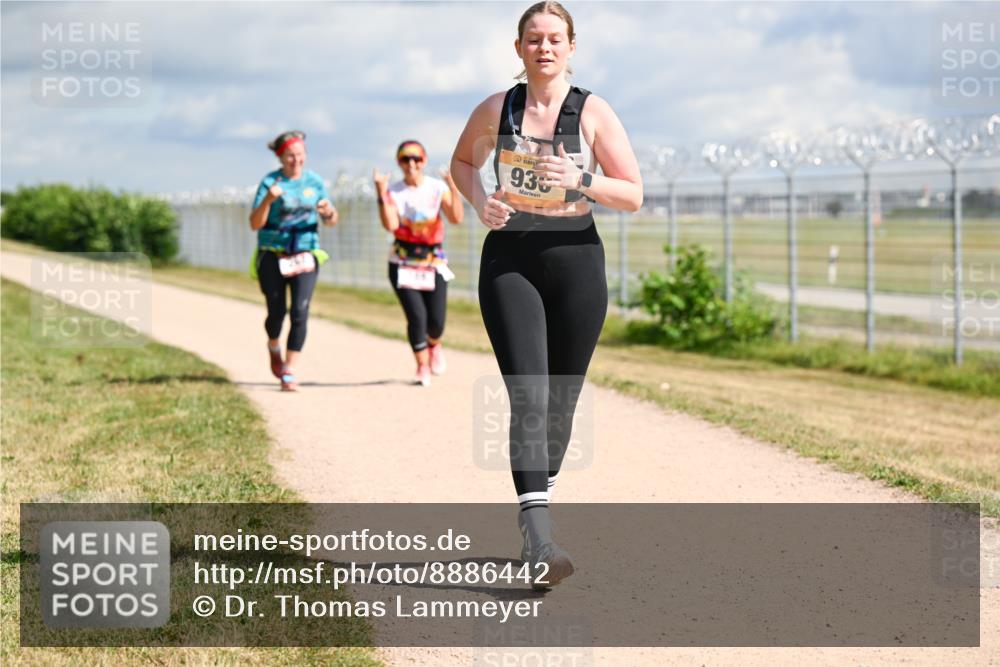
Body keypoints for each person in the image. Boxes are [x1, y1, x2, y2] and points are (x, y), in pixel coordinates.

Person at [450, 1, 642, 588]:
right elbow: (460, 163)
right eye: (534, 39)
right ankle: (540, 537)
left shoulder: (592, 112)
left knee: (561, 403)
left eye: (555, 38)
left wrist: (580, 179)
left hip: (577, 261)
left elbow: (632, 193)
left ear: (571, 47)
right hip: (510, 261)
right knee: (529, 398)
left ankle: (537, 489)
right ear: (519, 49)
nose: (545, 48)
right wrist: (480, 200)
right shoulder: (495, 109)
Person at [249, 130, 339, 391]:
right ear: (281, 157)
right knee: (276, 313)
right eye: (290, 155)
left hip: (305, 254)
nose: (296, 160)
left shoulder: (314, 181)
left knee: (300, 312)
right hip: (273, 255)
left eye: (300, 155)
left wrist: (328, 212)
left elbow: (332, 221)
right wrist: (268, 199)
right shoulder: (270, 182)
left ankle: (289, 369)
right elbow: (254, 223)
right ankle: (273, 344)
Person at [374, 140, 464, 386]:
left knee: (436, 321)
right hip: (402, 261)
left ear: (424, 161)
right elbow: (391, 225)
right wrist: (381, 194)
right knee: (416, 316)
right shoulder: (393, 191)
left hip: (432, 260)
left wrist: (453, 188)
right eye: (405, 159)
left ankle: (434, 343)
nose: (411, 164)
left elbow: (456, 217)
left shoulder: (437, 188)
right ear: (399, 163)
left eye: (416, 159)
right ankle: (422, 366)